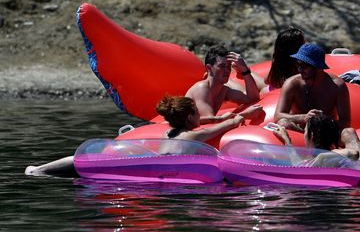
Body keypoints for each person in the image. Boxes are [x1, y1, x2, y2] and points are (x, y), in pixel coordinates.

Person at [25, 96, 243, 177]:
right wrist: (241, 116)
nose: (201, 116)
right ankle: (39, 171)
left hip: (147, 164)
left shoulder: (170, 131)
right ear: (189, 118)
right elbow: (228, 124)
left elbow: (200, 123)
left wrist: (210, 119)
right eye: (197, 113)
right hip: (162, 172)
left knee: (82, 163)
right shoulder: (196, 136)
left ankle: (39, 170)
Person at [274, 43, 360, 162]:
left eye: (304, 66)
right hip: (303, 132)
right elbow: (278, 116)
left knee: (349, 132)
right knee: (283, 123)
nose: (299, 69)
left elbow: (345, 121)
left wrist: (323, 122)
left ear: (317, 67)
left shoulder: (336, 86)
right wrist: (304, 117)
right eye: (298, 65)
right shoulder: (292, 84)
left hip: (329, 133)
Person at [185, 45, 264, 124]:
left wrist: (245, 70)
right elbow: (209, 123)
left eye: (229, 66)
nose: (227, 71)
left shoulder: (224, 90)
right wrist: (244, 115)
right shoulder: (201, 88)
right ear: (209, 68)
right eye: (222, 66)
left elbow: (253, 98)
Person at [271, 114, 360, 167]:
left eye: (305, 131)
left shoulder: (324, 157)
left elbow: (354, 153)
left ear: (312, 135)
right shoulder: (312, 160)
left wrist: (287, 140)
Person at [263, 26, 305, 93]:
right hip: (281, 91)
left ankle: (246, 72)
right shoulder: (302, 65)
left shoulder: (278, 61)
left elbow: (267, 81)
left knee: (263, 88)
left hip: (274, 90)